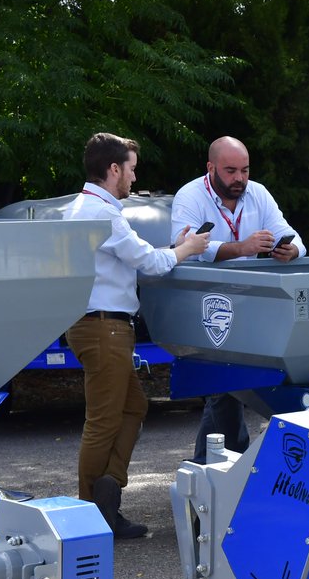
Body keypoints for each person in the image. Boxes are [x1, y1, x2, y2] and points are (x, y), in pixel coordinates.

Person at [64, 132, 210, 539]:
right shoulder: (102, 214)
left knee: (133, 407)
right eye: (130, 168)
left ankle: (107, 492)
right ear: (113, 170)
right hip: (104, 326)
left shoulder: (88, 207)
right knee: (104, 420)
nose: (133, 176)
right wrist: (188, 249)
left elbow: (136, 258)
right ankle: (90, 518)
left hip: (100, 325)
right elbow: (148, 261)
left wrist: (173, 248)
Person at [171, 136, 307, 464]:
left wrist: (292, 250)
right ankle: (222, 470)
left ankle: (214, 469)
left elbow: (292, 234)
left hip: (254, 307)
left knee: (231, 390)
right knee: (225, 388)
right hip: (209, 306)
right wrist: (242, 248)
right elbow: (186, 250)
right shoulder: (189, 196)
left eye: (245, 170)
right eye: (231, 171)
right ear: (210, 168)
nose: (239, 179)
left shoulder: (257, 193)